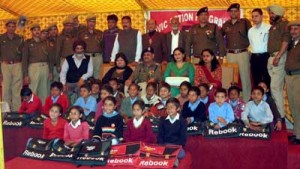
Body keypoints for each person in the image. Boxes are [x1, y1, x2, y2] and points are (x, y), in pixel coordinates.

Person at [222, 3, 252, 101]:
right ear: (229, 13)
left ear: (238, 12)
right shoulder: (226, 24)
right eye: (231, 11)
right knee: (229, 79)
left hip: (242, 53)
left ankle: (246, 102)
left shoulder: (245, 22)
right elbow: (219, 38)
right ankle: (228, 101)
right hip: (230, 54)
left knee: (245, 78)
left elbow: (252, 36)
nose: (233, 13)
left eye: (235, 11)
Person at [267, 4, 291, 118]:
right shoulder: (273, 26)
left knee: (275, 87)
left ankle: (280, 117)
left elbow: (286, 41)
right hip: (272, 57)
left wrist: (278, 56)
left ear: (279, 14)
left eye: (272, 13)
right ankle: (277, 114)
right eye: (270, 13)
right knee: (275, 88)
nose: (270, 15)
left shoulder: (285, 24)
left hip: (278, 56)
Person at [22, 23, 53, 104]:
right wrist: (25, 75)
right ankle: (32, 109)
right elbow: (24, 60)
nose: (37, 32)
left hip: (45, 67)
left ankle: (43, 110)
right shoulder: (27, 43)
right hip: (33, 68)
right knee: (33, 90)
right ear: (31, 31)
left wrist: (50, 71)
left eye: (38, 30)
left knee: (45, 90)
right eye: (35, 30)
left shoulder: (45, 42)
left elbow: (50, 58)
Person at [0, 19, 24, 111]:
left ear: (15, 27)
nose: (11, 28)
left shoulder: (20, 38)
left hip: (17, 65)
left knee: (17, 89)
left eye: (13, 26)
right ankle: (5, 112)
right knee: (6, 89)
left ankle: (16, 111)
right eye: (9, 26)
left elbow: (23, 54)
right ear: (6, 27)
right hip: (5, 65)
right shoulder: (1, 38)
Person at [248, 8, 271, 87]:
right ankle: (257, 98)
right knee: (256, 79)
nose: (254, 18)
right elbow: (251, 44)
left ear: (262, 16)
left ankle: (268, 98)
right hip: (254, 57)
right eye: (253, 16)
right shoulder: (251, 30)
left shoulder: (268, 28)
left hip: (265, 56)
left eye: (256, 16)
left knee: (267, 78)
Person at [285, 20, 300, 144]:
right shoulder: (292, 44)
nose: (293, 31)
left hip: (298, 76)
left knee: (299, 106)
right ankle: (296, 133)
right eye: (292, 29)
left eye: (296, 29)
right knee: (293, 106)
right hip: (289, 77)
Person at [78, 15, 103, 79]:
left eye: (93, 22)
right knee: (87, 73)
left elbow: (103, 45)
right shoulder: (82, 34)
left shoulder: (100, 33)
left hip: (98, 57)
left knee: (98, 74)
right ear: (87, 22)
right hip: (87, 56)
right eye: (90, 22)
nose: (92, 23)